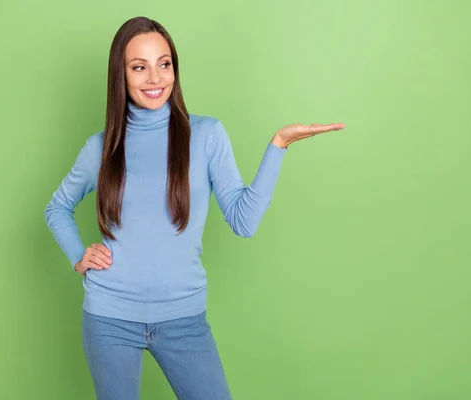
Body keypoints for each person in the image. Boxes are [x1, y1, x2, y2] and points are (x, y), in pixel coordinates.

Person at [44, 16, 345, 400]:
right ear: (121, 75)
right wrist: (78, 256)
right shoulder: (101, 147)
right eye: (140, 67)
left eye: (164, 64)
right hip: (110, 317)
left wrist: (279, 145)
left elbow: (244, 221)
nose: (155, 78)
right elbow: (57, 207)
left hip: (184, 320)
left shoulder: (206, 135)